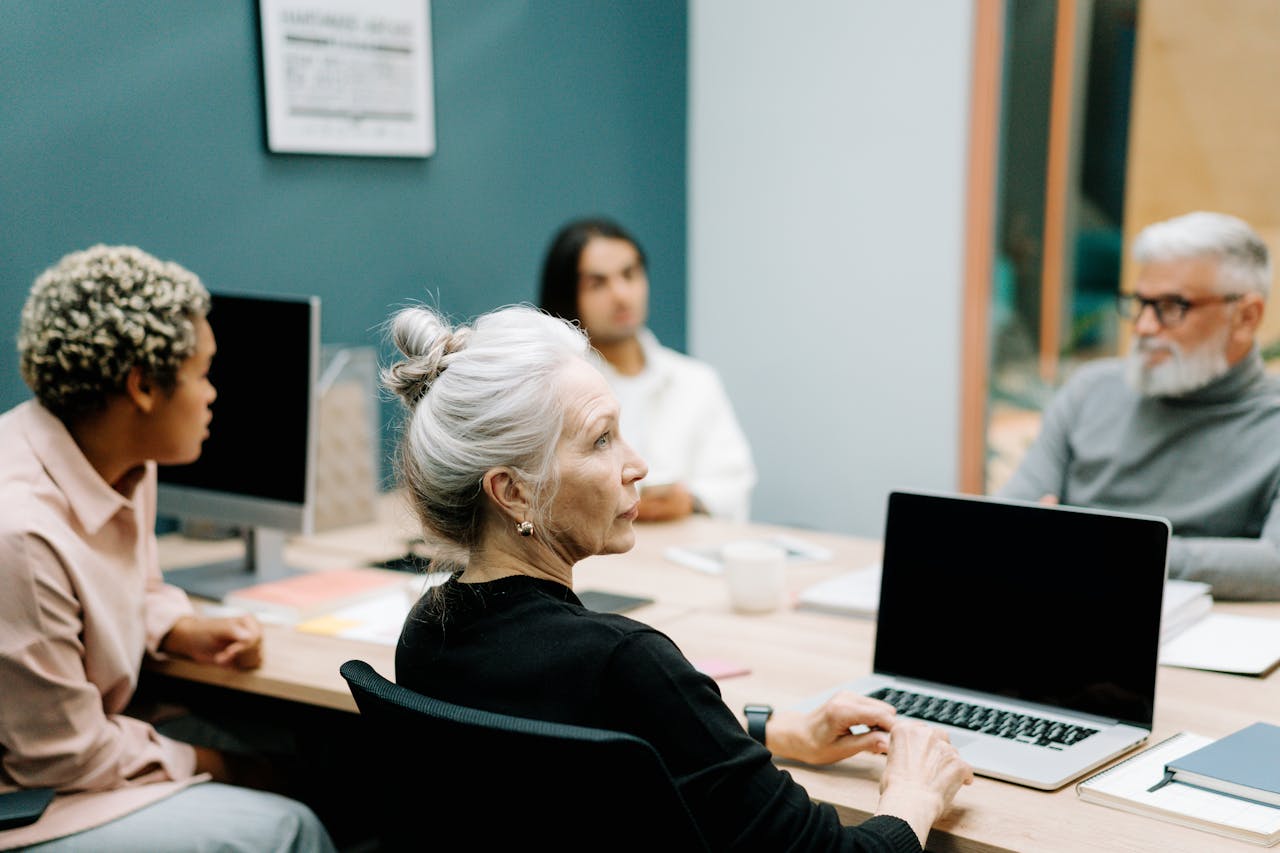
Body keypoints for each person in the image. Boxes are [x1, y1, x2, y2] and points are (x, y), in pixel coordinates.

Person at [388, 303, 973, 852]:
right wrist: (912, 796)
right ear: (513, 492)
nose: (638, 465)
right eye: (601, 439)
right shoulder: (624, 663)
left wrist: (771, 732)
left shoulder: (426, 633)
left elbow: (580, 748)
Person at [0, 245, 335, 851]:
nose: (213, 394)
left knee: (310, 759)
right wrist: (225, 766)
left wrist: (177, 627)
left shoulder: (119, 462)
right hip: (28, 801)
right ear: (143, 386)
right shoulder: (20, 535)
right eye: (203, 372)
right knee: (291, 824)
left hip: (78, 750)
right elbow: (60, 760)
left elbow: (134, 585)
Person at [999, 211, 1280, 600]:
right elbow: (1009, 520)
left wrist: (1113, 548)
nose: (1145, 327)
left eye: (1172, 306)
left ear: (1246, 317)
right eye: (1141, 302)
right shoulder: (1091, 390)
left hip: (1199, 632)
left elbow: (1275, 564)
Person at [539, 216, 757, 522]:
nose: (621, 295)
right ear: (568, 295)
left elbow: (733, 480)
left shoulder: (695, 380)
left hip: (686, 551)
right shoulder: (552, 389)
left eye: (629, 274)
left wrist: (689, 500)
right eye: (597, 283)